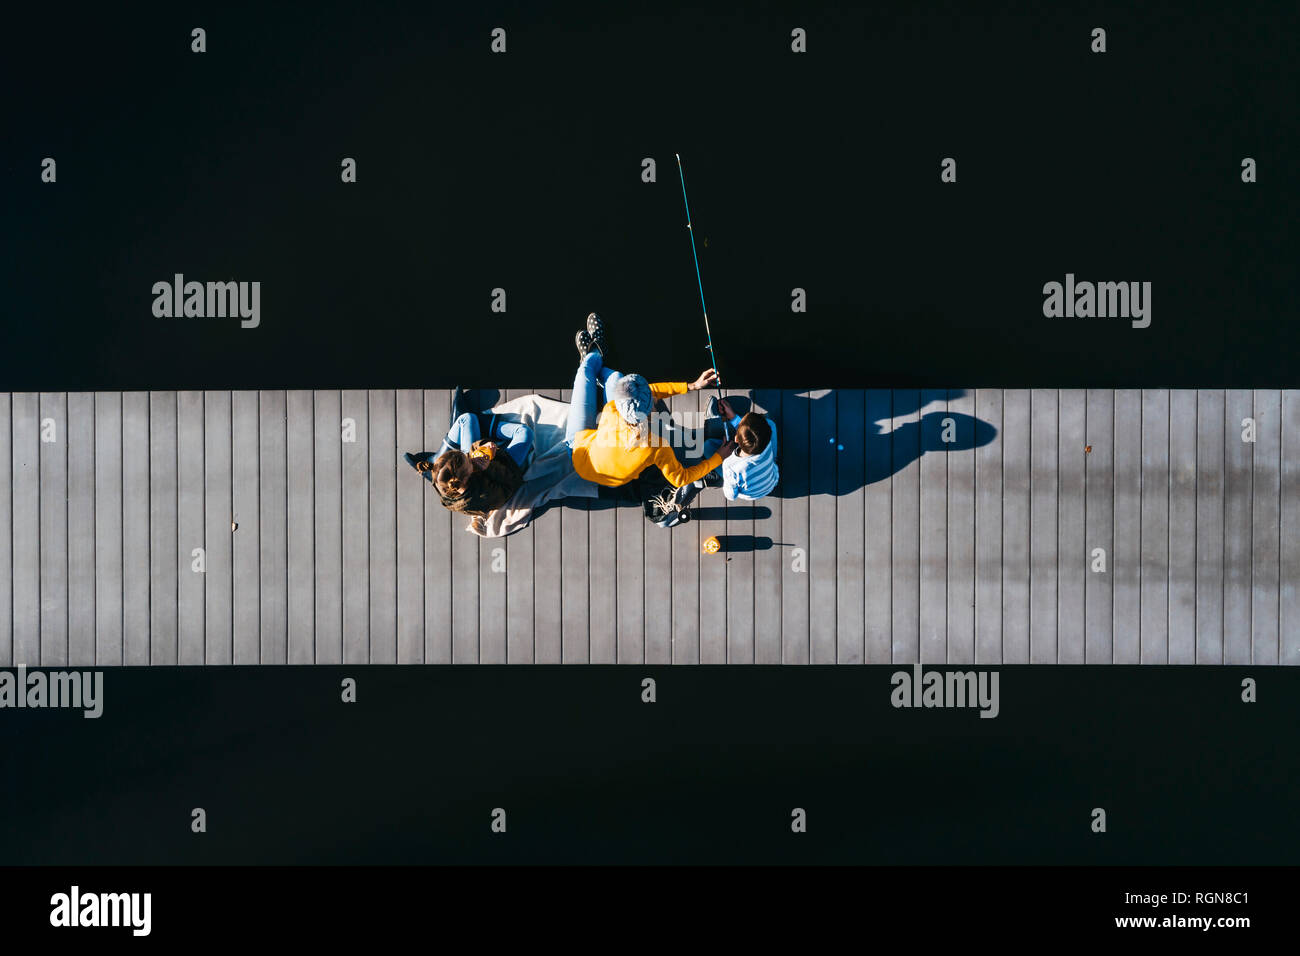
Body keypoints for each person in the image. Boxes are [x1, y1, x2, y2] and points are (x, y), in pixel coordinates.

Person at [565, 312, 734, 489]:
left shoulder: (611, 409)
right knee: (615, 376)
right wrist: (718, 458)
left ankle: (593, 354)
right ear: (650, 407)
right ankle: (596, 353)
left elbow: (648, 394)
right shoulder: (656, 445)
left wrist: (692, 385)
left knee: (589, 371)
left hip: (578, 451)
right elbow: (680, 479)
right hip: (598, 467)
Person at [404, 392, 535, 517]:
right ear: (467, 476)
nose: (468, 456)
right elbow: (512, 483)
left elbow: (468, 455)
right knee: (525, 432)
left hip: (466, 469)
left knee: (466, 418)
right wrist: (490, 466)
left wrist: (481, 445)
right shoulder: (484, 495)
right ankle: (483, 426)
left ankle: (435, 458)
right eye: (468, 460)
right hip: (504, 472)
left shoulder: (442, 479)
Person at [700, 397, 779, 500]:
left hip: (749, 492)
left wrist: (722, 455)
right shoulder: (766, 440)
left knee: (707, 446)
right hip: (772, 482)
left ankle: (713, 421)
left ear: (736, 439)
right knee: (770, 424)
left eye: (740, 423)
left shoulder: (730, 466)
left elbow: (731, 496)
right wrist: (733, 417)